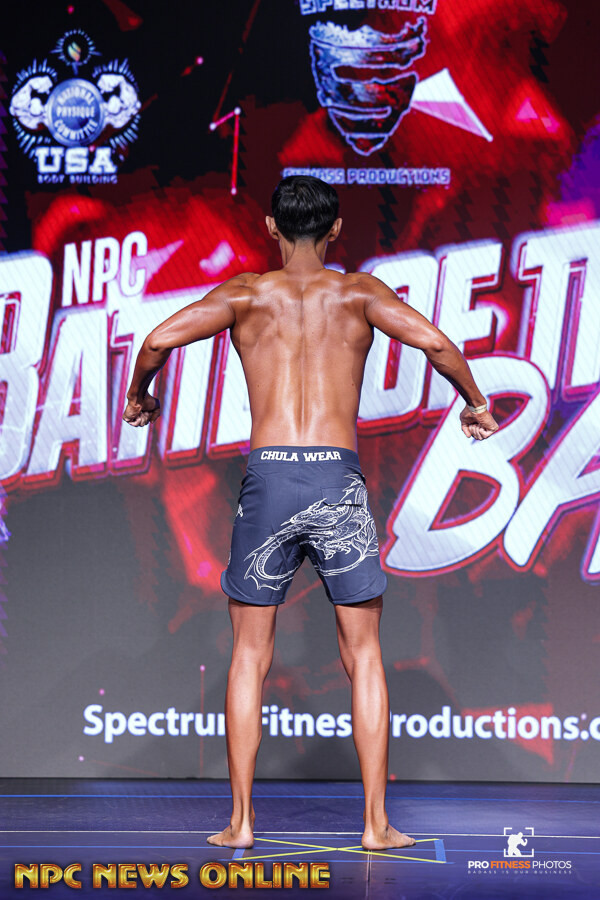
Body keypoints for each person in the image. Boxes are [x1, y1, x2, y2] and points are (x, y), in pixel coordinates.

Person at [123, 175, 499, 851]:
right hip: (335, 482)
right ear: (335, 229)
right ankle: (375, 826)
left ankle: (240, 823)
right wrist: (474, 402)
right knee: (365, 655)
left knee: (248, 655)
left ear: (271, 227)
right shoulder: (358, 294)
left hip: (269, 480)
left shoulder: (246, 294)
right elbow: (439, 345)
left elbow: (154, 341)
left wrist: (140, 396)